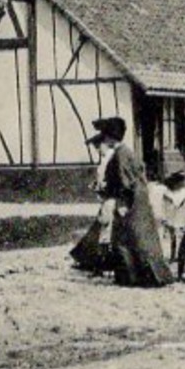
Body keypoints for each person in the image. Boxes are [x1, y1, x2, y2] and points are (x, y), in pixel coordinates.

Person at [69, 116, 174, 286]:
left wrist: (122, 203)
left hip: (129, 200)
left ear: (110, 137)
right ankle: (153, 275)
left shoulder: (120, 155)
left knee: (128, 239)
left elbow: (124, 182)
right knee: (141, 237)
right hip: (138, 198)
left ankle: (135, 277)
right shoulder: (127, 152)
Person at [155, 169, 185, 279]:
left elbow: (165, 208)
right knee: (177, 246)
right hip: (179, 221)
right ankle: (176, 271)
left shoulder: (170, 193)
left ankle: (172, 270)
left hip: (173, 221)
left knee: (172, 244)